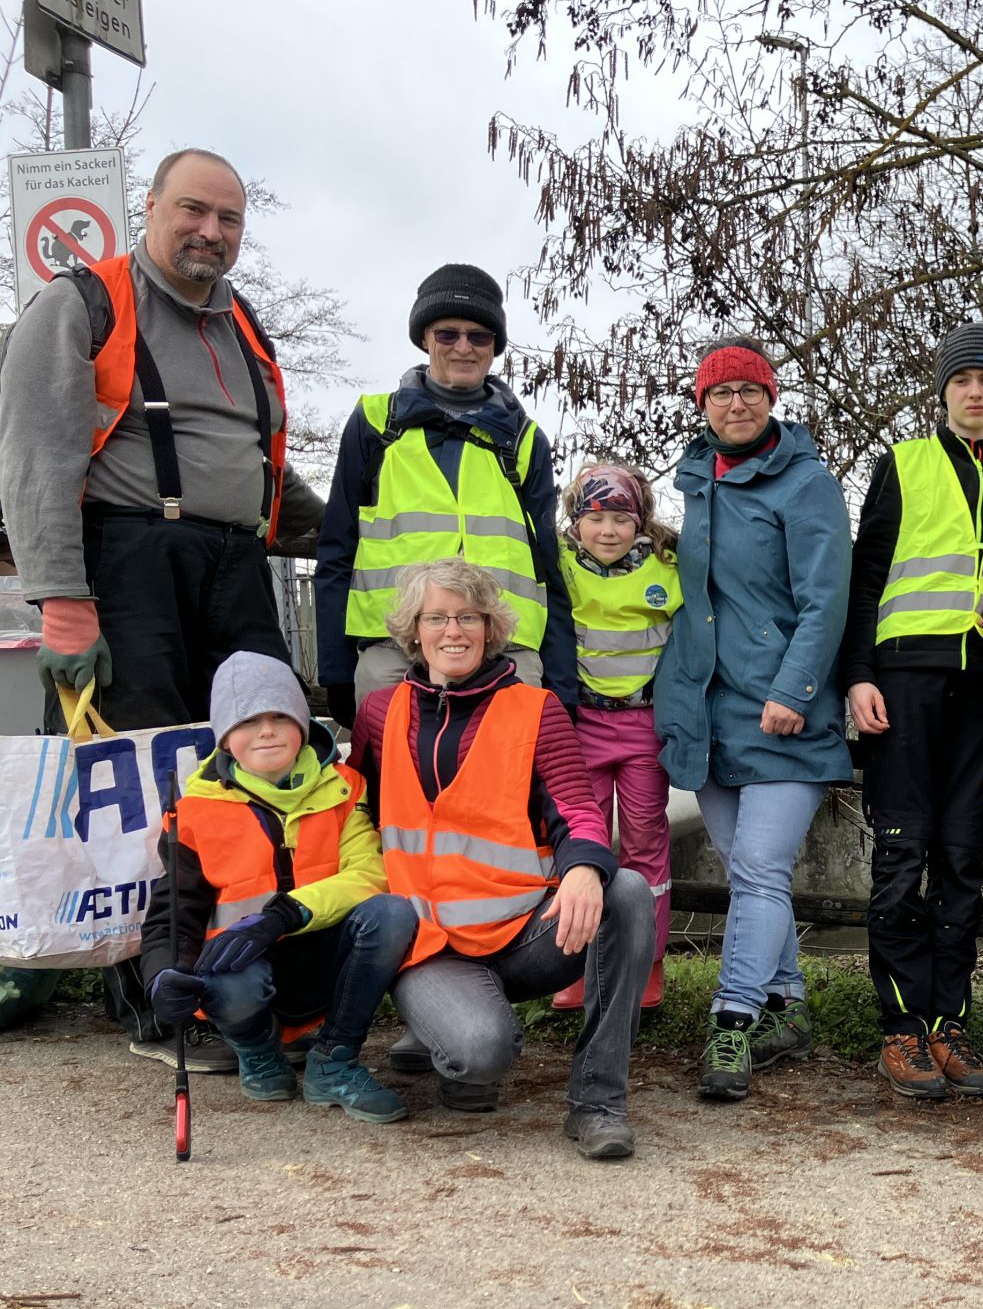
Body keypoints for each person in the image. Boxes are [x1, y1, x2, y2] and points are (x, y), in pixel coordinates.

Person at [0, 146, 325, 1062]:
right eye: (193, 210)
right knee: (145, 785)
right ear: (149, 207)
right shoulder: (81, 305)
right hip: (130, 562)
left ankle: (247, 979)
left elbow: (262, 471)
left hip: (236, 565)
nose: (210, 232)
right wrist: (64, 603)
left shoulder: (244, 325)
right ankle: (154, 1000)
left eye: (229, 219)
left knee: (252, 757)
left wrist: (357, 531)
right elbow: (34, 460)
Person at [348, 559, 651, 1161]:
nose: (452, 631)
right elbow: (352, 811)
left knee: (628, 890)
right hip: (430, 944)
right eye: (436, 617)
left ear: (490, 628)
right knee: (481, 1053)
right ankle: (451, 1038)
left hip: (522, 934)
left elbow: (577, 806)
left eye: (468, 617)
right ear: (413, 629)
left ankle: (598, 1102)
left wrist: (584, 868)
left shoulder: (536, 708)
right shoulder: (379, 712)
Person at [839, 322, 983, 1100]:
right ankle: (900, 1026)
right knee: (902, 856)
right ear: (943, 390)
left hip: (982, 690)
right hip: (902, 686)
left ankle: (948, 1024)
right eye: (962, 379)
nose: (975, 392)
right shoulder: (902, 463)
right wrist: (856, 676)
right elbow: (866, 578)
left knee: (962, 860)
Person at [652, 337, 850, 1104]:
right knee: (749, 874)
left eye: (749, 391)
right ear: (702, 406)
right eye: (719, 393)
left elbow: (825, 600)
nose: (735, 404)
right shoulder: (699, 481)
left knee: (762, 869)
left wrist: (795, 690)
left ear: (771, 399)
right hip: (712, 713)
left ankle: (733, 1019)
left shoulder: (806, 484)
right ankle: (788, 1008)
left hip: (783, 715)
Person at [139, 652, 408, 1122]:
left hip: (326, 963)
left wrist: (283, 915)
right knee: (223, 968)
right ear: (225, 736)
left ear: (303, 724)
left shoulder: (347, 786)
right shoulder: (194, 810)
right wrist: (163, 976)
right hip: (238, 975)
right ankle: (256, 1050)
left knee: (392, 912)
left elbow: (369, 873)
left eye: (280, 716)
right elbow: (172, 914)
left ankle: (334, 1059)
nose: (266, 731)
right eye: (247, 720)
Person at [314, 263, 576, 725]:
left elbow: (547, 566)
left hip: (506, 652)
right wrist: (335, 667)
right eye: (447, 333)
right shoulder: (375, 425)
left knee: (509, 772)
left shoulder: (524, 441)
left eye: (479, 336)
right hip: (393, 650)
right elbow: (337, 549)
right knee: (391, 772)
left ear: (494, 345)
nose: (463, 347)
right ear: (424, 338)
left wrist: (562, 679)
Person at [552, 460, 681, 1013]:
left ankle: (646, 960)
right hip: (580, 725)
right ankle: (575, 961)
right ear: (576, 521)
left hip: (644, 726)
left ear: (640, 521)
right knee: (581, 841)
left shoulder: (668, 566)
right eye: (596, 518)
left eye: (622, 519)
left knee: (645, 841)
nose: (608, 531)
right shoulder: (557, 563)